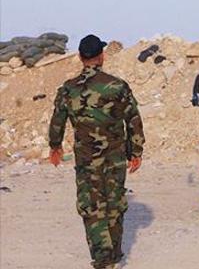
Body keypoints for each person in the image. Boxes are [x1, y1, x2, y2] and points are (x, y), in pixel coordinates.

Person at [48, 34, 145, 269]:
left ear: (81, 57)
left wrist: (55, 146)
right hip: (114, 157)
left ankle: (103, 259)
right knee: (114, 202)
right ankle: (113, 254)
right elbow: (133, 119)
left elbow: (57, 121)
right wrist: (136, 151)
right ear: (101, 56)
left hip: (86, 160)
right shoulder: (117, 86)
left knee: (92, 206)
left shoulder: (68, 89)